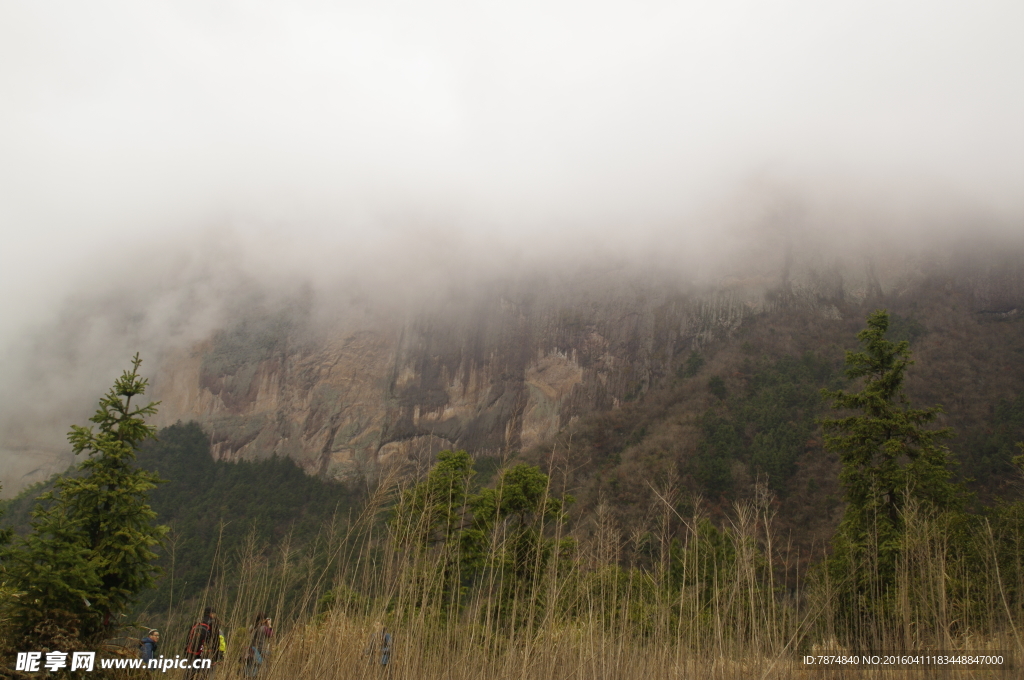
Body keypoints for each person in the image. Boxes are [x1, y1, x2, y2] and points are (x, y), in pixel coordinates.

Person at [183, 607, 217, 680]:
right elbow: (215, 640)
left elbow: (188, 638)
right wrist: (216, 655)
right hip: (205, 652)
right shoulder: (212, 623)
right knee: (204, 673)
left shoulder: (196, 622)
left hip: (192, 652)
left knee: (190, 672)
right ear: (211, 614)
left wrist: (186, 651)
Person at [243, 613, 273, 677]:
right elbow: (271, 635)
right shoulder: (264, 628)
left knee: (251, 666)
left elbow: (250, 630)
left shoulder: (253, 627)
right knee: (269, 657)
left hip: (251, 649)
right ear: (264, 620)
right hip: (260, 649)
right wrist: (269, 625)